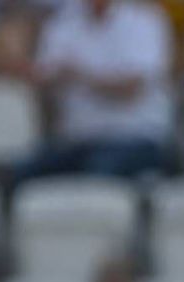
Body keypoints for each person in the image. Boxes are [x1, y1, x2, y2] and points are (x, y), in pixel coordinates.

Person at [16, 0, 174, 182]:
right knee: (23, 172)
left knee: (95, 173)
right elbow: (44, 80)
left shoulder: (144, 20)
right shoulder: (63, 23)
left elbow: (131, 88)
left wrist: (80, 76)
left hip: (135, 139)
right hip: (77, 142)